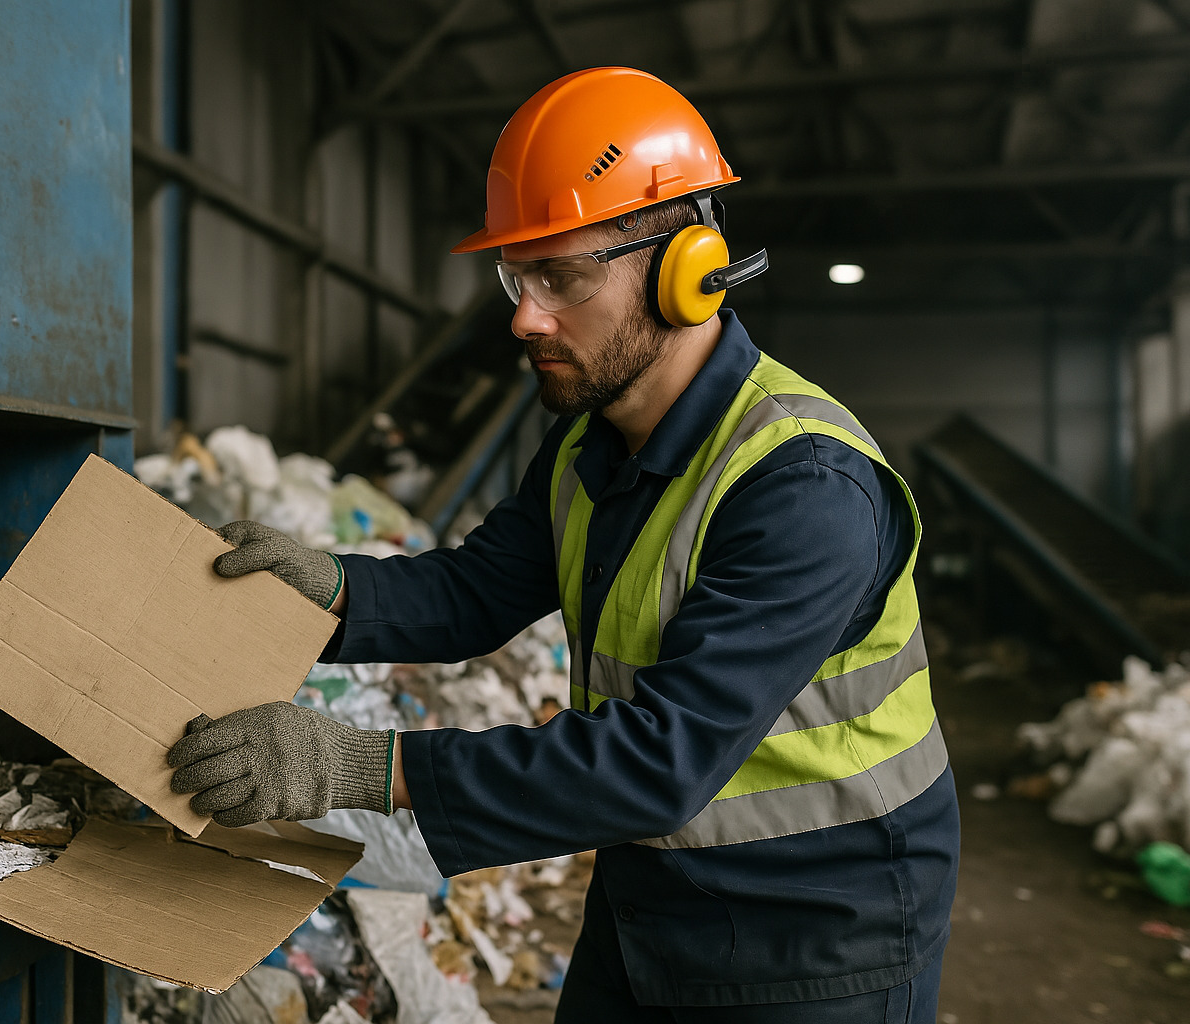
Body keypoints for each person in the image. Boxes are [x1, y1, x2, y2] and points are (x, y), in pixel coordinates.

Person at [168, 67, 959, 1023]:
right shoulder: (591, 441)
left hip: (821, 938)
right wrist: (326, 585)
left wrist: (358, 768)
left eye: (562, 277)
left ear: (686, 268)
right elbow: (477, 591)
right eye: (515, 276)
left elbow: (656, 760)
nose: (523, 316)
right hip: (653, 902)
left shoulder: (802, 489)